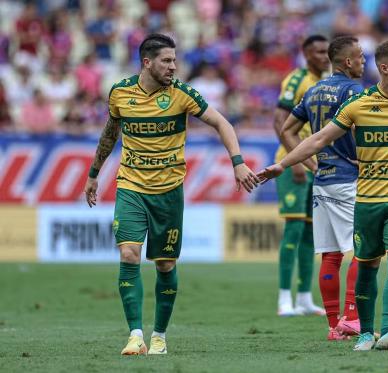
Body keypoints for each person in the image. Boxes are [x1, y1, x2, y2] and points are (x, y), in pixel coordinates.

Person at [258, 40, 388, 351]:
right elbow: (319, 138)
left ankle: (386, 331)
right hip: (365, 199)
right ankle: (362, 332)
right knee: (365, 264)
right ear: (384, 68)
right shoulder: (357, 102)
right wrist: (282, 163)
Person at [83, 33, 259, 356]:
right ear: (146, 63)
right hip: (131, 186)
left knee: (164, 264)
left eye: (174, 61)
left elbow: (222, 123)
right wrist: (94, 174)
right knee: (129, 255)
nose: (173, 67)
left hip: (168, 193)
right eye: (166, 61)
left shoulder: (181, 94)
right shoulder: (120, 93)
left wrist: (238, 163)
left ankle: (159, 336)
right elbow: (110, 133)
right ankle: (135, 335)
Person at [279, 35, 366, 340]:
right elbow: (358, 128)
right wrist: (361, 157)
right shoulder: (355, 90)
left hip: (323, 180)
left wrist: (310, 164)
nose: (364, 62)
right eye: (360, 57)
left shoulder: (314, 90)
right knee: (363, 250)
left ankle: (333, 327)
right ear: (347, 61)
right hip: (347, 180)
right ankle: (352, 318)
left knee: (330, 255)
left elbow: (287, 129)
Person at [272, 35, 331, 316]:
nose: (324, 56)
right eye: (319, 51)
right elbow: (278, 121)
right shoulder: (296, 79)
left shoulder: (327, 82)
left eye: (326, 51)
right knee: (294, 230)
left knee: (311, 233)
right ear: (306, 54)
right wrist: (293, 162)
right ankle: (285, 299)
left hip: (317, 166)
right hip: (294, 166)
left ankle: (305, 298)